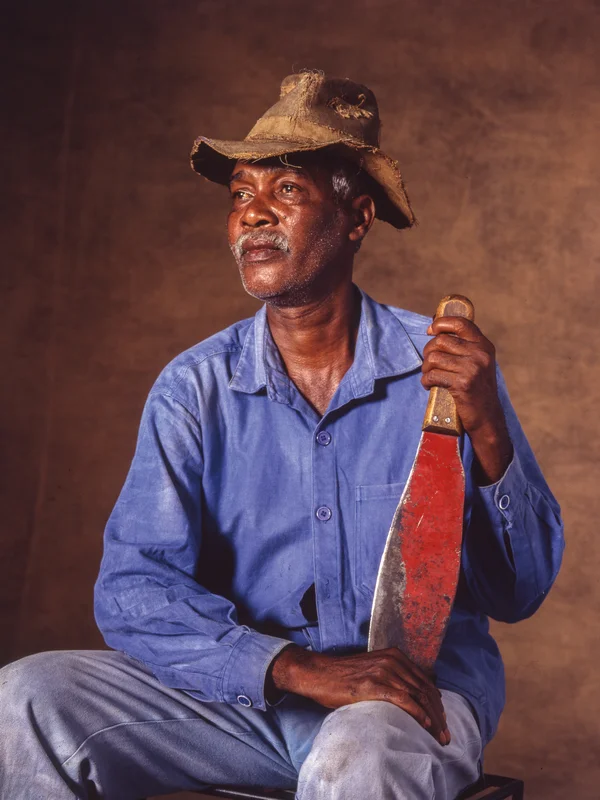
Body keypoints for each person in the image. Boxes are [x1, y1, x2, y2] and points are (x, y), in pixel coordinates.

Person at [0, 70, 564, 800]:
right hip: (241, 700)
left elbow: (518, 591)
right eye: (240, 195)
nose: (252, 217)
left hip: (398, 705)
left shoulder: (446, 371)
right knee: (22, 699)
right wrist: (287, 668)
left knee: (355, 760)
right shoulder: (194, 387)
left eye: (286, 192)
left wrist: (487, 425)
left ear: (356, 217)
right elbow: (134, 588)